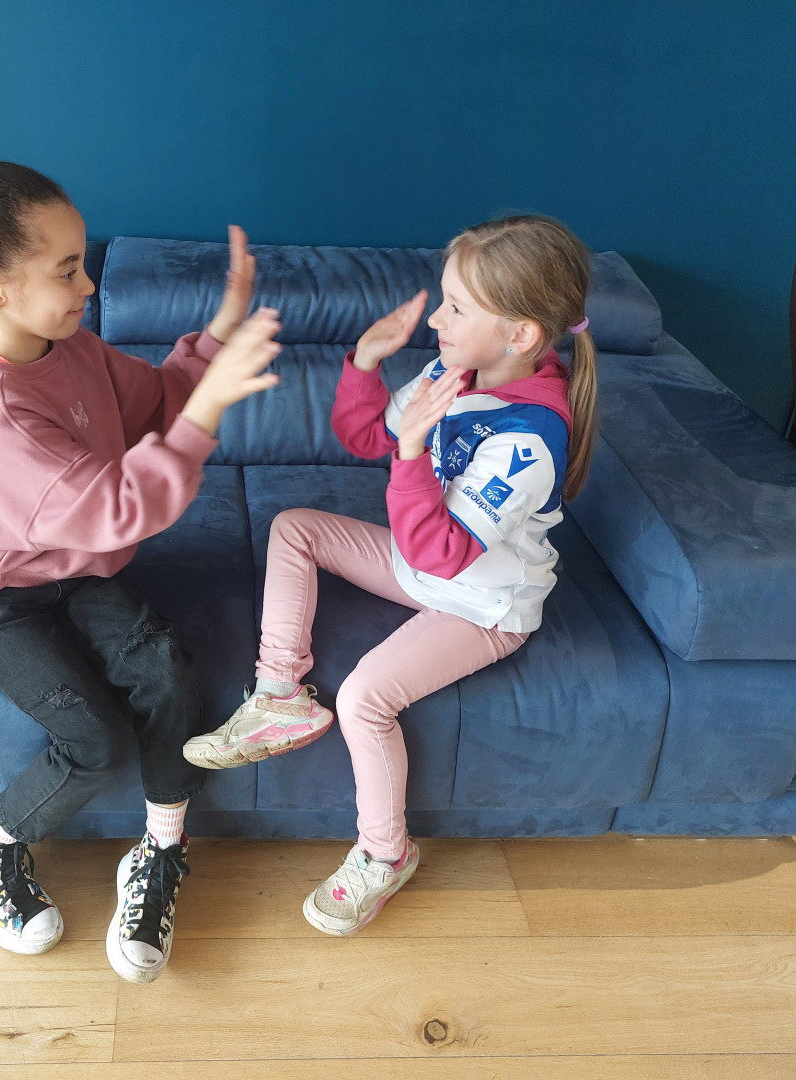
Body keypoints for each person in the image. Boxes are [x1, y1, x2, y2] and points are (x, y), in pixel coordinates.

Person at [0, 127, 281, 981]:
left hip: (76, 572)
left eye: (84, 265)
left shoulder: (73, 348)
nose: (89, 285)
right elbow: (118, 511)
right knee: (95, 740)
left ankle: (161, 850)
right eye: (67, 271)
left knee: (166, 672)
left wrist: (218, 332)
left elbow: (154, 400)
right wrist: (210, 413)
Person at [183, 214, 598, 935]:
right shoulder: (455, 371)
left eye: (456, 308)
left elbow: (442, 552)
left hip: (481, 606)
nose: (436, 319)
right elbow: (366, 435)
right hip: (420, 566)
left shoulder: (529, 440)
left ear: (521, 335)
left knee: (364, 698)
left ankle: (385, 854)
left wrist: (411, 456)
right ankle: (279, 695)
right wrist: (366, 363)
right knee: (295, 527)